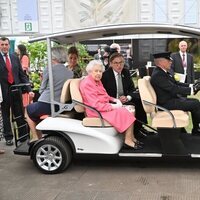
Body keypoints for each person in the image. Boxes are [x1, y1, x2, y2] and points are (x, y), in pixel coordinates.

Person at [79, 59, 143, 150]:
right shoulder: (87, 83)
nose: (98, 73)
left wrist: (114, 100)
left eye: (100, 71)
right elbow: (95, 105)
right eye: (96, 71)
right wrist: (113, 106)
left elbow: (105, 95)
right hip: (96, 111)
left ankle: (131, 137)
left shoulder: (97, 81)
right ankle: (128, 140)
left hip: (103, 107)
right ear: (90, 71)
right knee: (127, 110)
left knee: (131, 108)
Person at [25, 47, 73, 143]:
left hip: (48, 102)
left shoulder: (49, 69)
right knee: (35, 110)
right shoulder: (69, 72)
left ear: (53, 57)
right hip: (60, 105)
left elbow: (42, 88)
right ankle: (40, 136)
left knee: (27, 110)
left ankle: (35, 136)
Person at [150, 52, 200, 135]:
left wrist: (192, 85)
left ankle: (194, 129)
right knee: (195, 104)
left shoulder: (162, 72)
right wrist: (191, 90)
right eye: (168, 60)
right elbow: (173, 88)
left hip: (170, 100)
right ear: (161, 62)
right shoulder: (158, 75)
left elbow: (176, 83)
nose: (171, 62)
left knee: (195, 101)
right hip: (165, 104)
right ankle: (196, 130)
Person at [101, 52, 148, 137]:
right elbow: (104, 93)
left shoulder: (126, 72)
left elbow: (132, 89)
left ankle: (140, 127)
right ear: (111, 64)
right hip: (112, 101)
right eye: (116, 63)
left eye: (121, 62)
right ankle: (135, 131)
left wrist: (127, 97)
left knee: (139, 100)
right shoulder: (105, 75)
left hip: (124, 99)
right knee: (132, 105)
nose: (119, 65)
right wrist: (116, 99)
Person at [0, 37, 34, 146]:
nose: (4, 47)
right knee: (6, 115)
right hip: (3, 92)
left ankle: (23, 136)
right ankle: (8, 137)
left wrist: (29, 89)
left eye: (6, 44)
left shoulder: (14, 57)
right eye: (2, 45)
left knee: (19, 113)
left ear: (9, 46)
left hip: (16, 90)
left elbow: (22, 75)